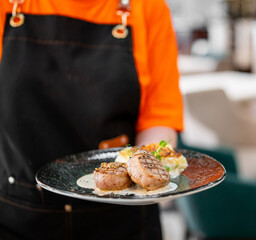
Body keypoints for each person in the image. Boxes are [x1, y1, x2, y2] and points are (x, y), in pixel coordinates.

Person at [0, 0, 183, 239]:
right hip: (19, 214)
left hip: (121, 219)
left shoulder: (148, 8)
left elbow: (159, 119)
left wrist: (148, 172)